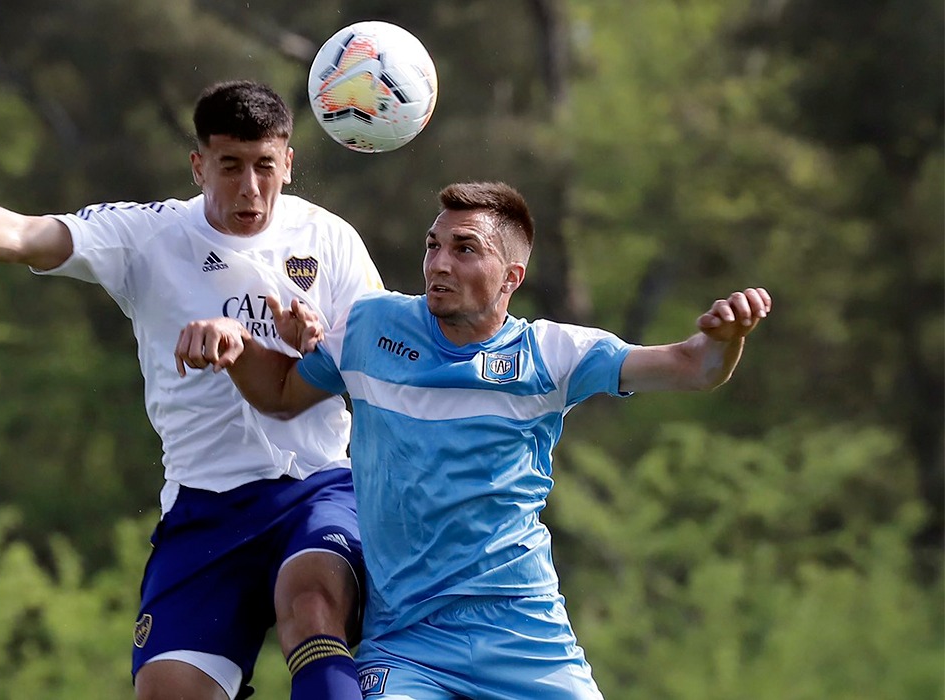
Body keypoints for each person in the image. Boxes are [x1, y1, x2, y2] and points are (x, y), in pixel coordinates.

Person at [0, 80, 385, 700]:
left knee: (311, 603)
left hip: (316, 487)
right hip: (205, 503)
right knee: (166, 691)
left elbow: (378, 367)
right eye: (230, 166)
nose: (250, 187)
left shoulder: (332, 241)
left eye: (265, 166)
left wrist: (318, 346)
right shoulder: (147, 235)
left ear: (288, 163)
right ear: (198, 165)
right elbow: (24, 233)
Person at [174, 181, 773, 700]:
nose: (438, 264)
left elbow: (692, 367)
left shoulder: (551, 353)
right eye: (434, 246)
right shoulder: (370, 328)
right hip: (406, 637)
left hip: (523, 632)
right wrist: (234, 345)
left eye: (465, 250)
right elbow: (281, 395)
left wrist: (727, 337)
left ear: (512, 275)